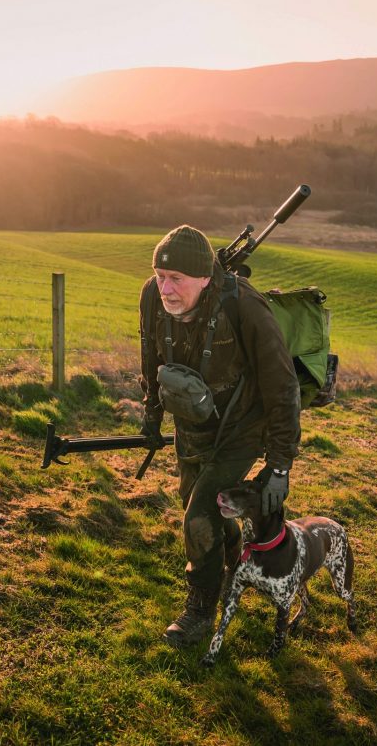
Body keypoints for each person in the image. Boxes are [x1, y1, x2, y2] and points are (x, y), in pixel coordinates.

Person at [139, 224, 302, 646]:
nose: (166, 288)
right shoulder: (151, 299)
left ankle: (198, 612)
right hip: (192, 423)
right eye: (160, 275)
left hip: (242, 428)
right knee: (204, 506)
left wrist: (280, 465)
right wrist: (151, 417)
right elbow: (150, 359)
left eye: (177, 279)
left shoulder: (246, 309)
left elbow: (283, 389)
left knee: (198, 517)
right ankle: (236, 572)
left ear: (206, 278)